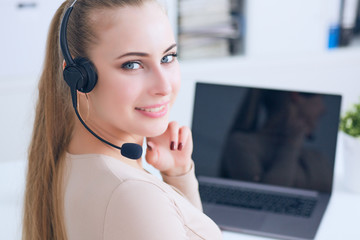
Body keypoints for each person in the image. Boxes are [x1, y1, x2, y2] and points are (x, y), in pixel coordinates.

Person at [22, 0, 222, 239]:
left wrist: (178, 174)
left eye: (168, 57)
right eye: (132, 64)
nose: (164, 86)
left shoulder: (67, 159)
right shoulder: (134, 195)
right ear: (79, 76)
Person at [221, 89, 332, 192]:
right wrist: (291, 145)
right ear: (295, 96)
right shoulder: (242, 145)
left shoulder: (317, 158)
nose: (323, 109)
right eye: (321, 98)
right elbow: (265, 198)